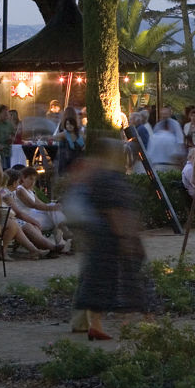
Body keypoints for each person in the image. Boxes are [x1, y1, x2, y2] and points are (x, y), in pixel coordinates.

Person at [70, 138, 148, 341]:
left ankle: (93, 324)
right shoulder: (109, 177)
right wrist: (126, 238)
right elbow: (116, 210)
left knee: (96, 278)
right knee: (129, 279)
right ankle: (144, 322)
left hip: (98, 234)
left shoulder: (97, 174)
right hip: (111, 236)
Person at [0, 105, 16, 170]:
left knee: (7, 172)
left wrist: (11, 139)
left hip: (7, 152)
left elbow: (13, 135)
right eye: (5, 113)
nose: (7, 115)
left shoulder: (9, 124)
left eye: (7, 113)